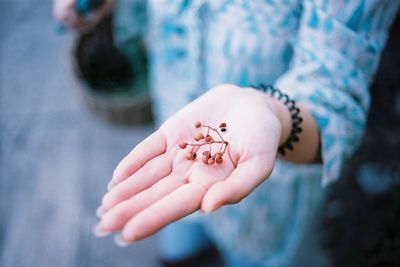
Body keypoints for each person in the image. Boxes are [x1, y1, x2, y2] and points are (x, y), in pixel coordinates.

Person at [54, 0, 399, 266]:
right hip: (172, 146)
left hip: (265, 196)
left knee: (249, 257)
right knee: (178, 238)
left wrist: (273, 113)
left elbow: (336, 94)